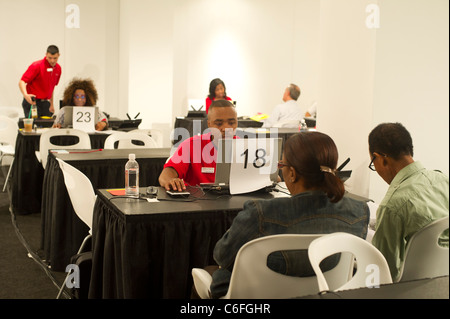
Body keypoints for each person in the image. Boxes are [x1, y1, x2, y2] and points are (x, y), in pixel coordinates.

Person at [208, 131, 370, 298]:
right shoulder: (359, 211)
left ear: (292, 174)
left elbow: (222, 256)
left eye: (281, 165)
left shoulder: (260, 213)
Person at [368, 122, 449, 282]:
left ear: (381, 159)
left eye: (373, 163)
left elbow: (382, 273)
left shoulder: (392, 206)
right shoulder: (444, 181)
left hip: (410, 288)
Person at [159, 99, 238, 191]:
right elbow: (166, 175)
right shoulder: (191, 145)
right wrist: (171, 180)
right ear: (209, 124)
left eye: (231, 123)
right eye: (219, 124)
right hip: (197, 203)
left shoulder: (245, 148)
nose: (225, 128)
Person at [19, 45, 62, 118]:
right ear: (46, 55)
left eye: (55, 58)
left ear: (58, 55)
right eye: (50, 58)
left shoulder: (58, 68)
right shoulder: (37, 65)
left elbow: (52, 87)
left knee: (47, 126)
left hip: (45, 103)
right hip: (33, 102)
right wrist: (25, 95)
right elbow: (22, 82)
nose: (52, 61)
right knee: (34, 126)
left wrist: (51, 104)